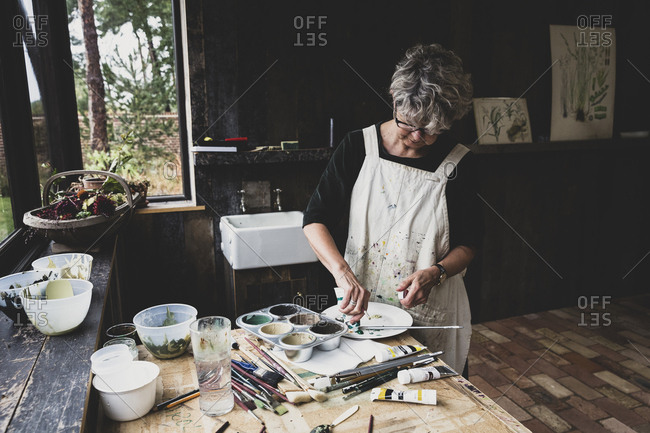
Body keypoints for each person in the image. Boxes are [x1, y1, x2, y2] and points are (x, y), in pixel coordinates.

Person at [302, 43, 482, 375]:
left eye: (431, 130)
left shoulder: (458, 163)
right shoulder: (358, 147)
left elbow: (469, 244)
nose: (417, 136)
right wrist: (342, 272)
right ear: (395, 100)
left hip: (433, 312)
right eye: (409, 123)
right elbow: (315, 220)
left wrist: (435, 273)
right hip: (365, 311)